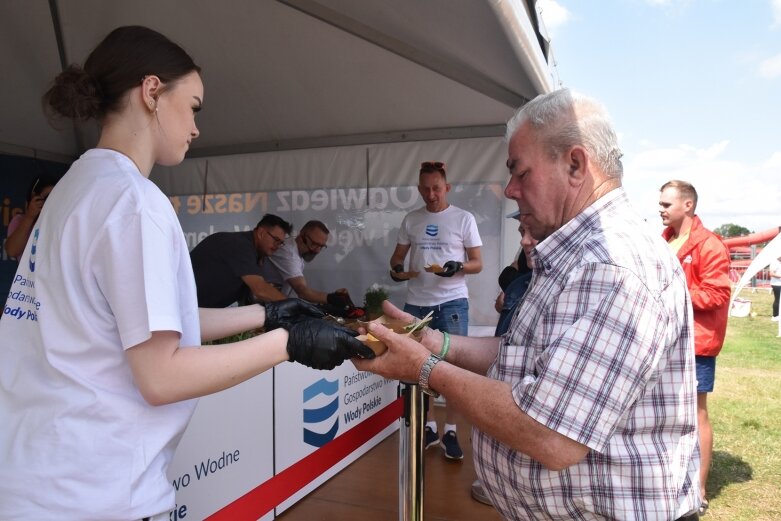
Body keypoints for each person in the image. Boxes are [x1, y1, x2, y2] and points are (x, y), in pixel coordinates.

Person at [0, 26, 373, 521]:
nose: (196, 127)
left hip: (35, 476)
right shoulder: (135, 203)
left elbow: (135, 323)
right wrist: (290, 344)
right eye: (193, 105)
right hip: (96, 491)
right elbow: (160, 376)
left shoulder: (74, 187)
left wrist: (267, 318)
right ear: (152, 91)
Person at [357, 89, 700, 520]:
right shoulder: (578, 253)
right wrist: (434, 342)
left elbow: (552, 436)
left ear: (575, 164)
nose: (510, 189)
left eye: (520, 172)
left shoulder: (613, 266)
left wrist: (425, 369)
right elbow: (528, 356)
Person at [388, 160, 483, 460]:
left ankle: (451, 431)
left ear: (447, 188)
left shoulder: (464, 218)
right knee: (419, 366)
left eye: (437, 189)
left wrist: (459, 267)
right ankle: (429, 426)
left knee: (455, 368)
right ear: (419, 189)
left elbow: (477, 263)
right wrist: (396, 270)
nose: (431, 195)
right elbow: (397, 258)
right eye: (426, 189)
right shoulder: (411, 219)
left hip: (453, 301)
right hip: (416, 302)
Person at [659, 179, 732, 515]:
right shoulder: (666, 241)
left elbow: (718, 294)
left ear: (687, 205)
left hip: (697, 344)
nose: (660, 210)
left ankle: (699, 489)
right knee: (667, 413)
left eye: (666, 205)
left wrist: (676, 295)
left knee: (696, 413)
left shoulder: (710, 244)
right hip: (667, 340)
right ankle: (670, 481)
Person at [471, 215, 537, 506]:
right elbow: (509, 273)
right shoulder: (524, 269)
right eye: (521, 230)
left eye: (530, 230)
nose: (524, 240)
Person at [261, 219, 362, 317]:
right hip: (262, 308)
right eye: (314, 244)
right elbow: (302, 291)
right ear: (302, 236)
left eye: (321, 246)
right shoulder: (288, 253)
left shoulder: (297, 252)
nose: (317, 251)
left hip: (273, 307)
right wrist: (330, 298)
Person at [190, 213, 291, 307]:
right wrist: (295, 306)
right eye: (276, 240)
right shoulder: (240, 245)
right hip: (183, 307)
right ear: (261, 233)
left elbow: (247, 300)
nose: (277, 246)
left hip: (196, 310)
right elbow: (260, 289)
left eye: (281, 243)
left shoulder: (256, 255)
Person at [4, 173, 59, 259]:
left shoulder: (62, 221)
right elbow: (12, 251)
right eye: (48, 197)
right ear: (34, 198)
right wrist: (30, 216)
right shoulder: (20, 220)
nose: (51, 201)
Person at [770, 255, 781, 321]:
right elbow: (771, 274)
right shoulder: (774, 262)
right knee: (777, 299)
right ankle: (775, 316)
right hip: (776, 284)